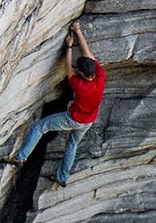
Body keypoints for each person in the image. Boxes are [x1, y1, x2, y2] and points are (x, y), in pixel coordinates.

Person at [6, 21, 105, 184]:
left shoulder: (79, 85)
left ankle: (20, 157)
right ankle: (62, 177)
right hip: (88, 121)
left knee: (39, 127)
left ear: (81, 72)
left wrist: (69, 46)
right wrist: (78, 31)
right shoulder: (100, 76)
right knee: (72, 146)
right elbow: (88, 53)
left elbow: (68, 67)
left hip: (73, 119)